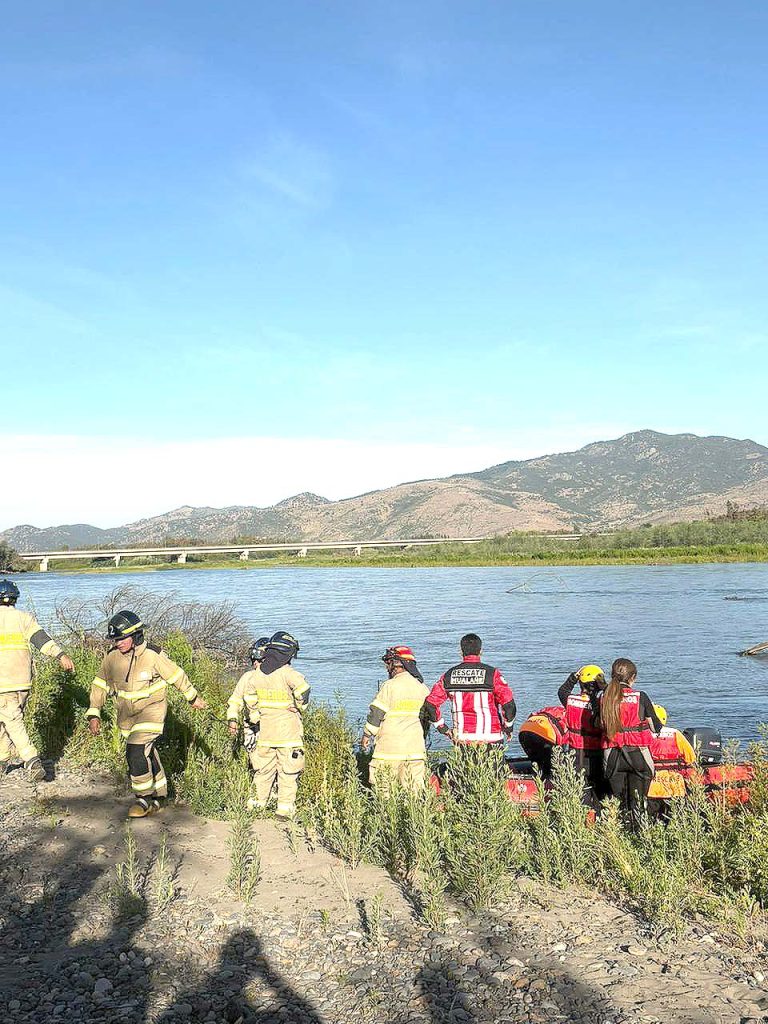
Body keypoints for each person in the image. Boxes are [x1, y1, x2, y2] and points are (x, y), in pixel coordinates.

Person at [86, 610, 207, 818]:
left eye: (122, 638)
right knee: (146, 753)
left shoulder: (153, 655)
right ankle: (160, 796)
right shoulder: (111, 658)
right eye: (115, 639)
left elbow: (177, 676)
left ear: (136, 635)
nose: (118, 643)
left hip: (152, 711)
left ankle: (143, 799)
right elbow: (100, 685)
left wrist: (193, 698)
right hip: (126, 716)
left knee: (136, 750)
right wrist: (94, 712)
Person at [227, 631, 310, 820]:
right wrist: (298, 707)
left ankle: (257, 804)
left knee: (263, 770)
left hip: (265, 733)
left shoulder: (256, 676)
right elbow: (304, 691)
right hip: (288, 734)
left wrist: (256, 714)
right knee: (288, 772)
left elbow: (248, 697)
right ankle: (284, 809)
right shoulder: (288, 673)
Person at [0, 578, 75, 781]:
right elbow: (42, 640)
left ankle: (31, 760)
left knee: (12, 721)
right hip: (22, 682)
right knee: (8, 720)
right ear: (14, 598)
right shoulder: (24, 618)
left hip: (2, 683)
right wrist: (61, 655)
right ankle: (2, 759)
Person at [598, 658, 663, 828]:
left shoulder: (604, 697)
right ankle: (641, 838)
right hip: (638, 755)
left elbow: (598, 724)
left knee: (618, 805)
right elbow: (655, 727)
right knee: (640, 803)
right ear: (632, 677)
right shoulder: (640, 697)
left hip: (612, 756)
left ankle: (618, 838)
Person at [360, 645, 430, 793]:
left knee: (384, 792)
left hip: (388, 750)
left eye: (388, 663)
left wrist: (367, 735)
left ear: (395, 664)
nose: (387, 668)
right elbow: (428, 718)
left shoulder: (389, 686)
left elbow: (376, 713)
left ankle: (386, 816)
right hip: (415, 751)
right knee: (414, 794)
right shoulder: (422, 688)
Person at [426, 633, 516, 746]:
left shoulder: (449, 676)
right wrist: (508, 727)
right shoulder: (492, 674)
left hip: (462, 738)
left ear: (461, 652)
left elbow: (430, 704)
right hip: (491, 738)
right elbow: (509, 705)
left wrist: (442, 728)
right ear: (481, 651)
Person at [558, 664, 606, 806]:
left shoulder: (571, 701)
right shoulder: (602, 705)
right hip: (597, 753)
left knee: (580, 790)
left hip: (575, 752)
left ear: (581, 683)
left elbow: (562, 691)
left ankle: (582, 820)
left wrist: (574, 676)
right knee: (599, 791)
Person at [227, 636, 270, 756]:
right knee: (255, 763)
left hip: (272, 727)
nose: (255, 663)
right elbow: (235, 701)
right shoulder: (247, 677)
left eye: (258, 659)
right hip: (252, 728)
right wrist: (232, 720)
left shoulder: (277, 677)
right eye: (255, 659)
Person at [518, 704, 569, 780]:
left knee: (536, 760)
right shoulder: (569, 718)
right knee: (551, 764)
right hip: (544, 735)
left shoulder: (554, 710)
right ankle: (547, 782)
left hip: (524, 730)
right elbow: (565, 744)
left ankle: (535, 778)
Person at [647, 704, 696, 769]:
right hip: (676, 772)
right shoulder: (676, 733)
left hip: (652, 773)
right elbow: (691, 758)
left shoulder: (643, 735)